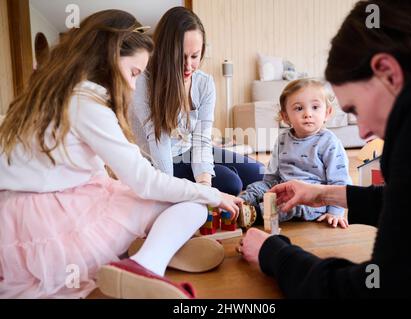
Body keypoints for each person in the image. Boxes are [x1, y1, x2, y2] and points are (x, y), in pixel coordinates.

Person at [0, 10, 242, 299]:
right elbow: (143, 179)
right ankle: (145, 263)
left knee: (182, 195)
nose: (131, 84)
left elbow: (91, 167)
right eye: (133, 73)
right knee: (194, 205)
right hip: (44, 215)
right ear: (109, 58)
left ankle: (148, 245)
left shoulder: (63, 93)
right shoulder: (87, 102)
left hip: (27, 205)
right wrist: (211, 195)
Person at [239, 0, 411, 298]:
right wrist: (322, 194)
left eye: (355, 109)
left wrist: (275, 254)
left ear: (387, 72)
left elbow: (377, 286)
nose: (362, 132)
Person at [130, 6, 265, 196]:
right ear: (165, 53)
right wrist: (169, 190)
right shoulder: (143, 81)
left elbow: (201, 140)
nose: (188, 65)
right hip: (158, 160)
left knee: (260, 173)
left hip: (191, 151)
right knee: (232, 183)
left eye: (195, 56)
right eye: (180, 57)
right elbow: (158, 140)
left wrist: (204, 182)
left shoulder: (204, 83)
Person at [239, 79, 352, 228]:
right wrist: (265, 190)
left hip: (312, 198)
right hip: (282, 186)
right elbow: (273, 171)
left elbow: (340, 182)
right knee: (254, 187)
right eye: (299, 109)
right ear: (285, 117)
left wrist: (335, 212)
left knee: (288, 205)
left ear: (327, 112)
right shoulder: (283, 138)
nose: (308, 114)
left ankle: (255, 214)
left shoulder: (329, 142)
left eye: (315, 107)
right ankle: (238, 205)